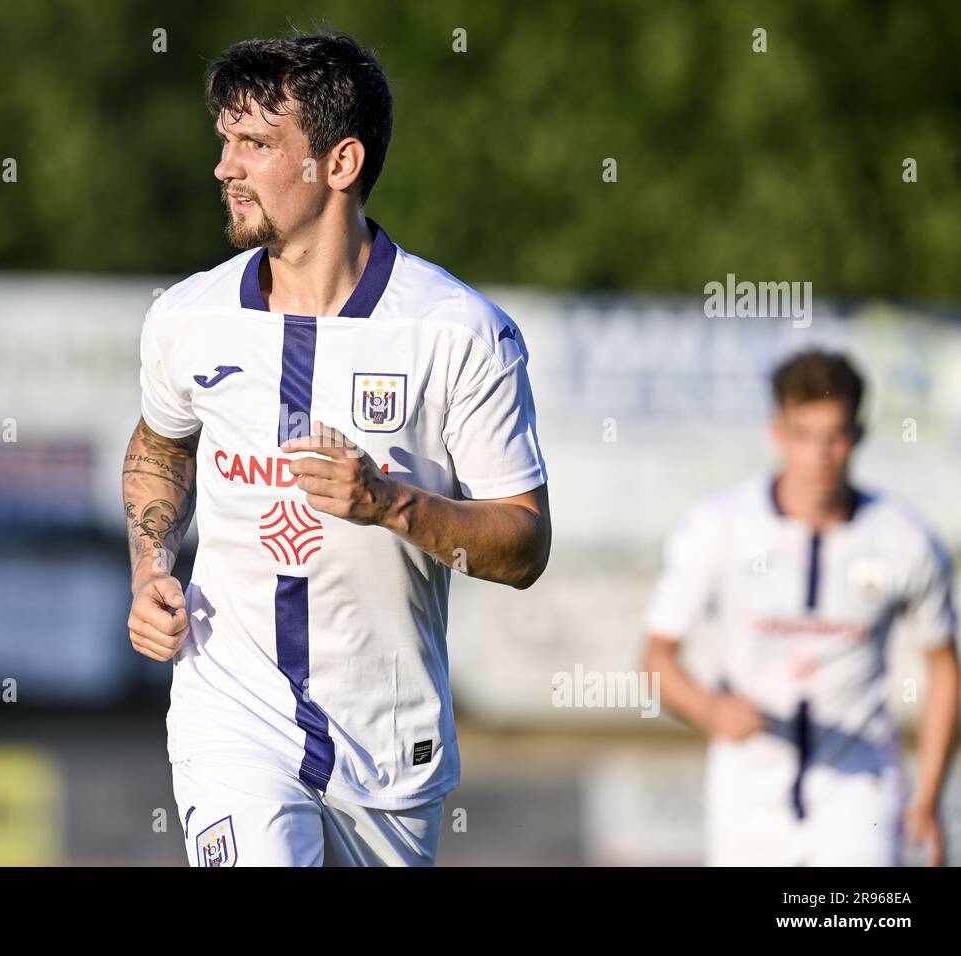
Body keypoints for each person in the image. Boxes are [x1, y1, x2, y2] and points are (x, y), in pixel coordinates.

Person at [121, 30, 550, 866]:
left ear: (340, 163)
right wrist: (149, 565)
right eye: (224, 142)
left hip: (389, 749)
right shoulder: (186, 316)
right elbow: (159, 445)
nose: (225, 167)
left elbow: (523, 544)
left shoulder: (458, 332)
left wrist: (388, 502)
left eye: (254, 144)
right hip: (230, 716)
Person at [643, 349, 958, 866]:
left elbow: (944, 667)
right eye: (803, 435)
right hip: (747, 792)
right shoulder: (717, 528)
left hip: (862, 792)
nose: (819, 455)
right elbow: (657, 659)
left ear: (858, 436)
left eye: (834, 436)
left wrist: (928, 797)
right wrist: (709, 709)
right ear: (777, 432)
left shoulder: (906, 539)